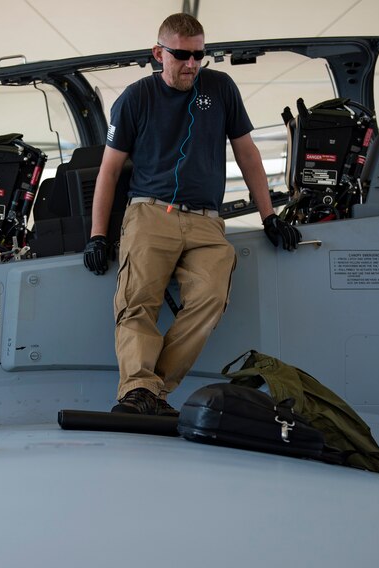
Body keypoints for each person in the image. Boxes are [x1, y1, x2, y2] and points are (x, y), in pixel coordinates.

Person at [83, 12, 301, 416]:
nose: (191, 64)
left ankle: (153, 390)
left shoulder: (220, 88)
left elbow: (247, 153)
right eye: (182, 55)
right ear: (158, 53)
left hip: (206, 221)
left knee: (211, 297)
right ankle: (138, 391)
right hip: (150, 214)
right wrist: (98, 235)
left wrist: (270, 215)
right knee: (137, 303)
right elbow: (109, 170)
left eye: (199, 55)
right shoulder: (135, 98)